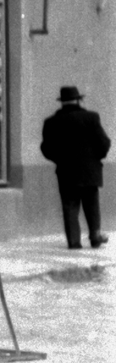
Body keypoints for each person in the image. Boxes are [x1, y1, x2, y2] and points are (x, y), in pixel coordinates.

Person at [40, 86, 110, 250]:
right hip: (90, 170)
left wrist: (59, 160)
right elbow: (104, 142)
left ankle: (74, 242)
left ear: (62, 102)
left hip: (66, 171)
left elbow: (46, 148)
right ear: (79, 100)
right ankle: (95, 236)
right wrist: (96, 158)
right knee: (91, 203)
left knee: (69, 205)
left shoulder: (51, 122)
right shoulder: (91, 118)